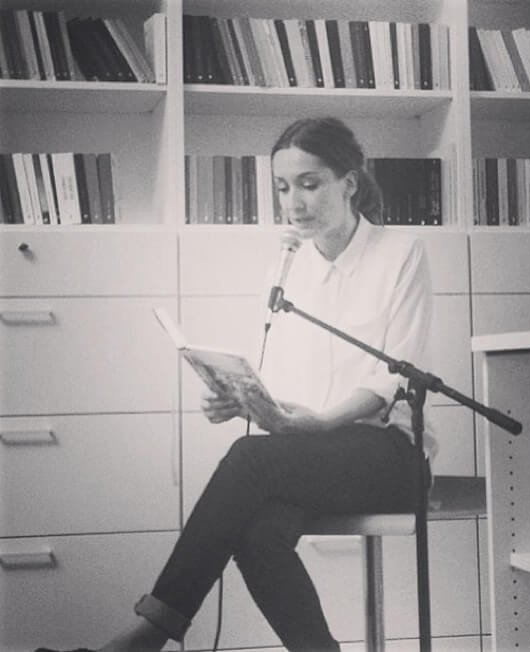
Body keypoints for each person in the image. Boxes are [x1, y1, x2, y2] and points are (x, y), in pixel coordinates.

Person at [37, 117, 438, 652]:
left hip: (388, 454)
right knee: (256, 534)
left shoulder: (401, 253)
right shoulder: (289, 266)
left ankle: (148, 635)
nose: (293, 202)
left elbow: (392, 377)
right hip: (315, 454)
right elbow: (293, 386)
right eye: (282, 187)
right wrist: (245, 400)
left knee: (249, 459)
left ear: (349, 183)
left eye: (309, 184)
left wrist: (316, 422)